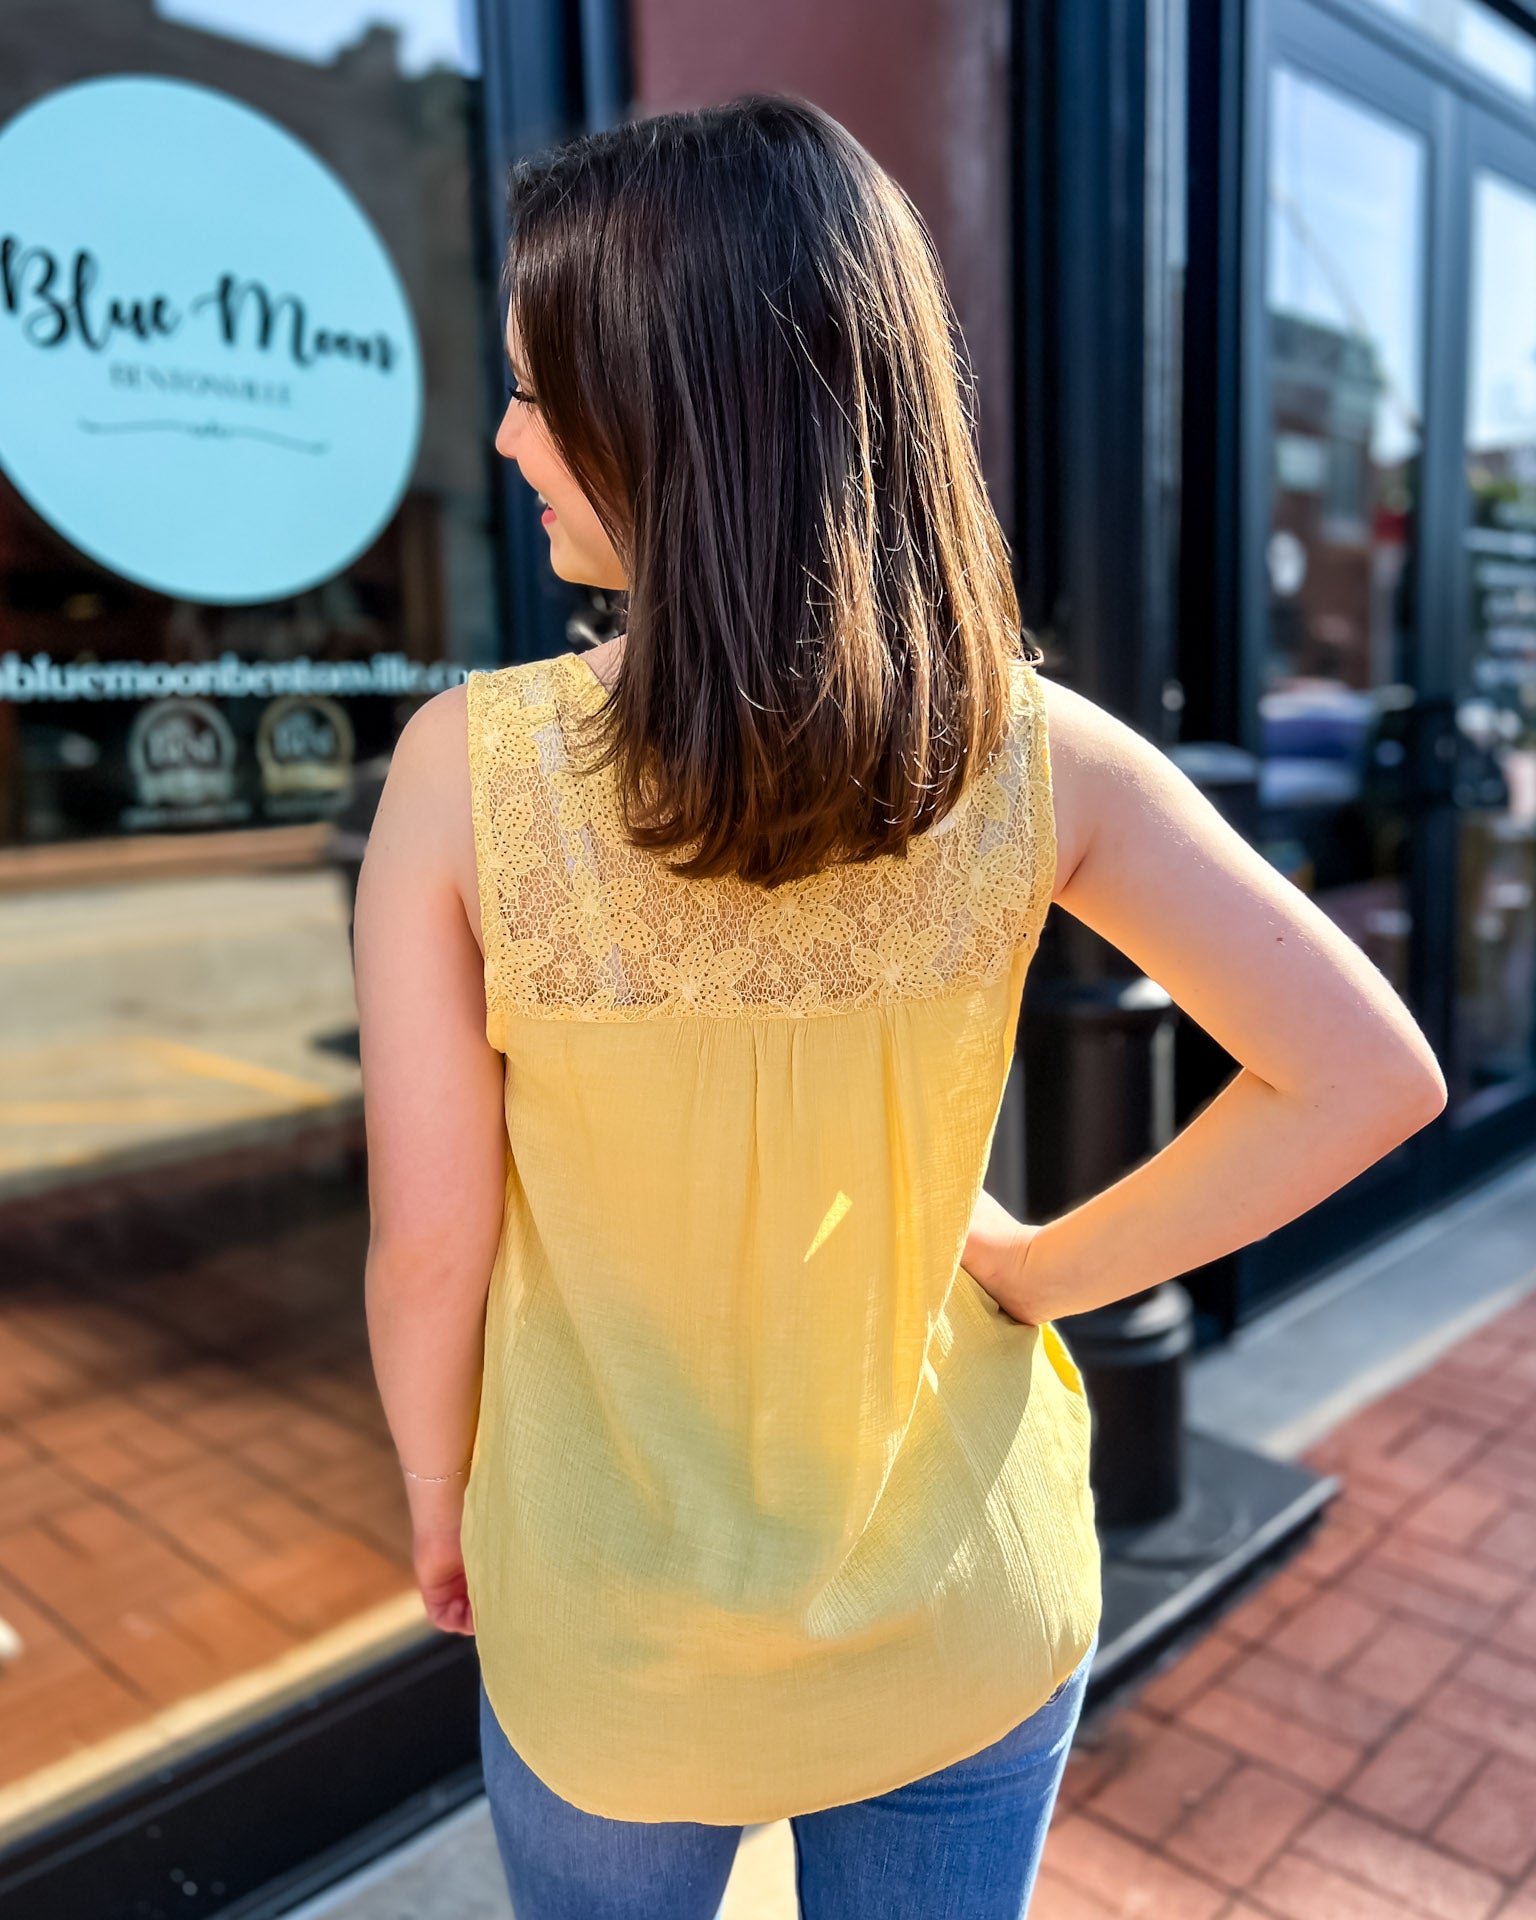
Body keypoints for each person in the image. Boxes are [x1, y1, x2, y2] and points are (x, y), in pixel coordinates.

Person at [353, 96, 1447, 1920]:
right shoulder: (1040, 756)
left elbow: (427, 1254)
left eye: (544, 392)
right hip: (967, 1603)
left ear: (675, 419)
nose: (504, 437)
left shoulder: (462, 776)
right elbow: (1367, 1075)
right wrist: (1042, 1274)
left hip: (614, 1636)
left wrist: (430, 1494)